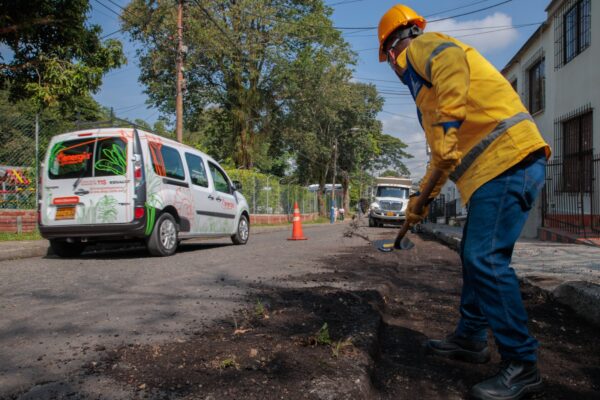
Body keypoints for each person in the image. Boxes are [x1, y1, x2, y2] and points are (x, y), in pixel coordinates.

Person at [377, 5, 550, 400]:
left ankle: (522, 365)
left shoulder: (421, 49)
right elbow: (443, 157)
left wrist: (450, 121)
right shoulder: (423, 87)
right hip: (496, 171)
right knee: (476, 256)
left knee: (484, 259)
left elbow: (451, 67)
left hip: (509, 161)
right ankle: (470, 338)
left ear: (389, 51)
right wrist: (420, 202)